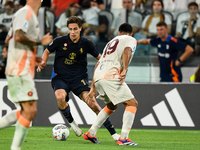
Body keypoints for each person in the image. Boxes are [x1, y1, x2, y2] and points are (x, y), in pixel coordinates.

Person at [37, 16, 120, 141]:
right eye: (70, 29)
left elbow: (101, 58)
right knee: (60, 97)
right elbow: (47, 51)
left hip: (79, 79)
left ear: (80, 28)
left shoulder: (87, 43)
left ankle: (114, 135)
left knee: (94, 105)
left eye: (75, 29)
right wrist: (43, 62)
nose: (73, 32)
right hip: (60, 77)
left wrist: (107, 72)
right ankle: (73, 124)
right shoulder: (60, 41)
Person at [0, 0, 52, 150]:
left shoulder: (27, 14)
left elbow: (7, 39)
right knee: (30, 111)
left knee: (27, 111)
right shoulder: (26, 12)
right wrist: (40, 42)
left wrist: (30, 55)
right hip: (19, 69)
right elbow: (17, 36)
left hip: (21, 68)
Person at [83, 23, 138, 145]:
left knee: (112, 106)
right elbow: (127, 50)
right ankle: (123, 138)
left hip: (98, 76)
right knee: (132, 103)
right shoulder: (130, 39)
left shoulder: (110, 42)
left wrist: (93, 86)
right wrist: (125, 69)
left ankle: (91, 133)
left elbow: (98, 63)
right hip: (110, 76)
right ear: (131, 33)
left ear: (119, 32)